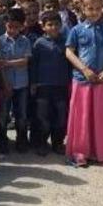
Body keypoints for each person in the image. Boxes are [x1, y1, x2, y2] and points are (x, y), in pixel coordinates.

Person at [65, 0, 103, 167]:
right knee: (82, 117)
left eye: (98, 9)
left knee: (102, 118)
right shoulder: (76, 30)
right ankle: (81, 152)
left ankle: (102, 153)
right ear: (83, 8)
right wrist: (84, 69)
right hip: (82, 79)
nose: (94, 12)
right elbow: (69, 52)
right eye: (90, 9)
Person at [30, 11, 71, 155]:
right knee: (43, 117)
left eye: (56, 24)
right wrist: (33, 83)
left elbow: (70, 63)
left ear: (61, 25)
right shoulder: (39, 43)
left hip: (61, 85)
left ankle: (57, 143)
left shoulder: (66, 42)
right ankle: (42, 143)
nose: (53, 27)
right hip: (43, 86)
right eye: (50, 25)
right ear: (43, 27)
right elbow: (33, 65)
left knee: (60, 117)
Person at [0, 8, 31, 153]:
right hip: (6, 83)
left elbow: (25, 61)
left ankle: (21, 139)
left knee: (21, 114)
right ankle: (2, 139)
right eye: (10, 26)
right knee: (3, 114)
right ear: (5, 24)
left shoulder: (25, 41)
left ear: (22, 26)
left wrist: (8, 63)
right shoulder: (0, 41)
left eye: (16, 27)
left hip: (22, 84)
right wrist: (5, 84)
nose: (12, 30)